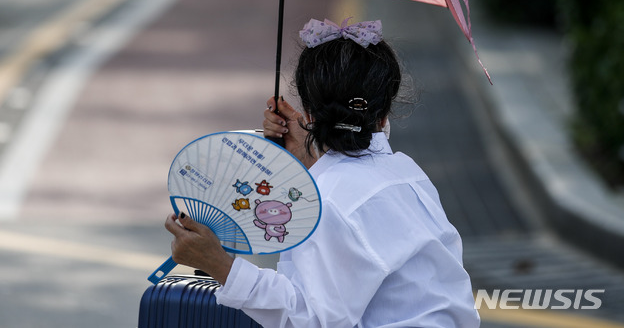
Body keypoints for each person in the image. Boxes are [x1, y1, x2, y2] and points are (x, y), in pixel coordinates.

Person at [164, 18, 480, 327]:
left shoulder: (327, 202)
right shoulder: (406, 172)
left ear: (310, 112)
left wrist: (221, 266)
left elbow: (314, 320)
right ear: (384, 113)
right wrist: (309, 155)